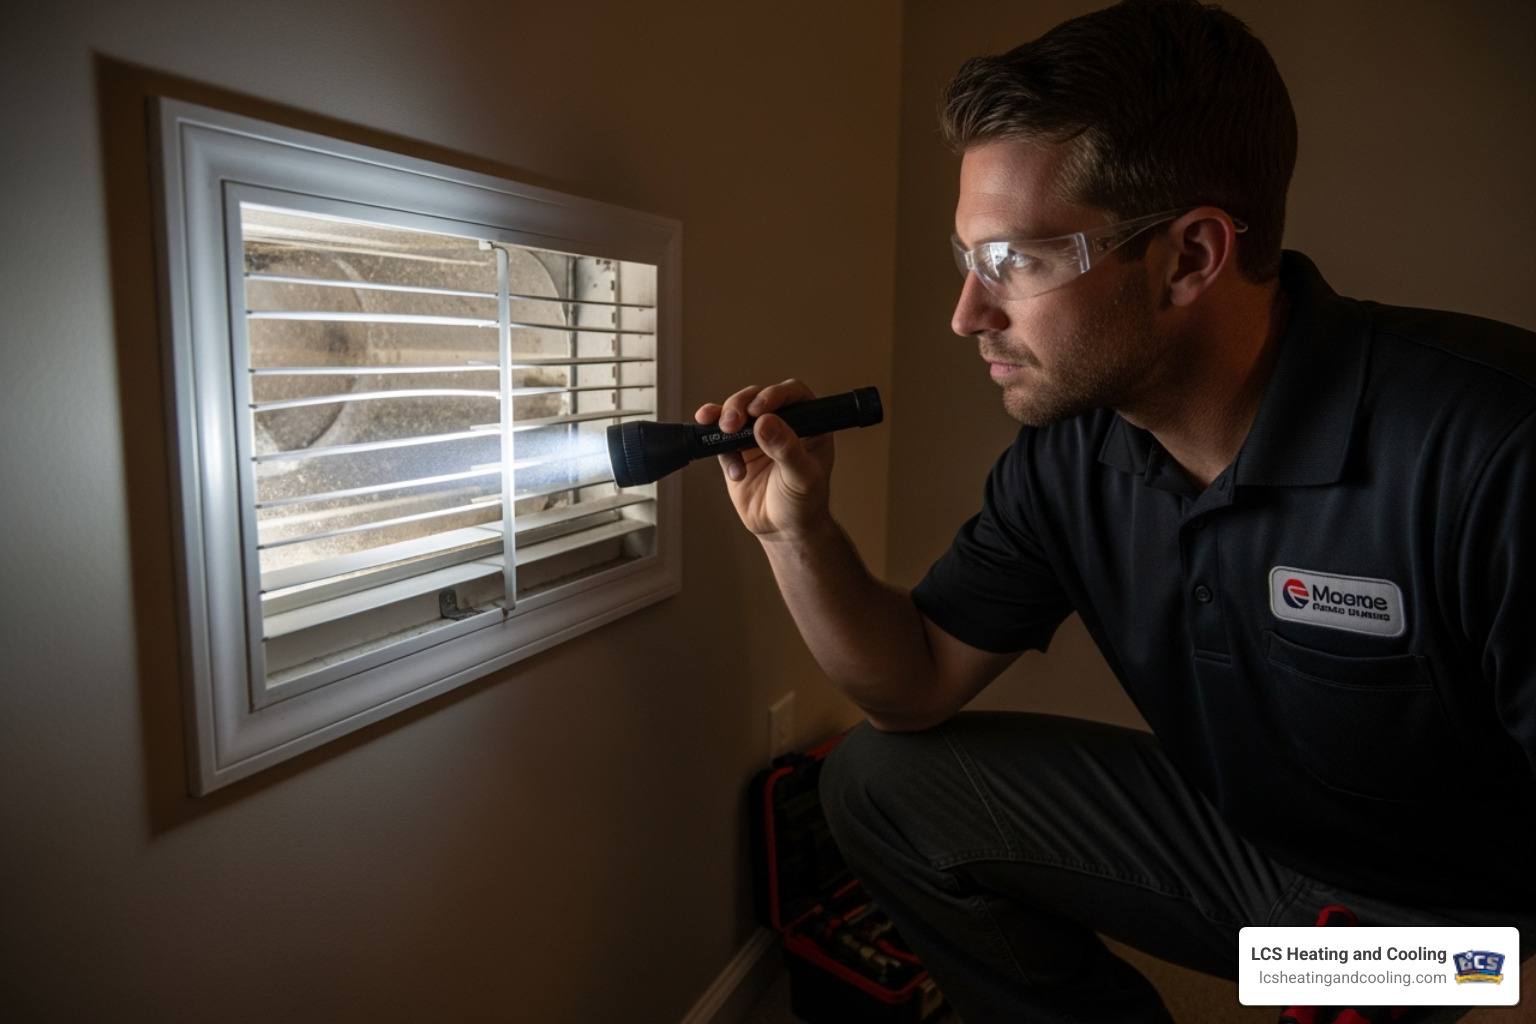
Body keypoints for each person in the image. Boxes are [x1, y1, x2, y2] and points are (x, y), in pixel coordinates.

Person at [699, 1, 1536, 1022]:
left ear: (1190, 256)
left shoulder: (1496, 449)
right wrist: (796, 533)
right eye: (970, 259)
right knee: (880, 781)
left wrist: (1411, 981)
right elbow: (910, 690)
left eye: (1017, 260)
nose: (966, 315)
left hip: (1466, 937)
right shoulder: (1073, 454)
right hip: (1250, 865)